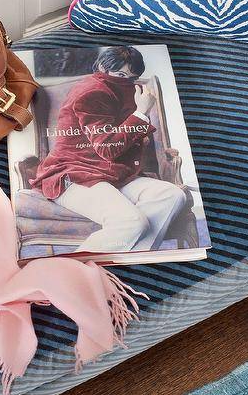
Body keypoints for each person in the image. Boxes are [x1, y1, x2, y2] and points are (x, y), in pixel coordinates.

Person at [30, 46, 185, 253]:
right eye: (120, 74)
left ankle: (130, 259)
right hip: (74, 175)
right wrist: (141, 113)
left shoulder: (123, 90)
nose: (126, 81)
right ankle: (72, 269)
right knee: (132, 222)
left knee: (172, 194)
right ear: (103, 67)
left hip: (111, 173)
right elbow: (106, 148)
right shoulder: (93, 92)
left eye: (131, 77)